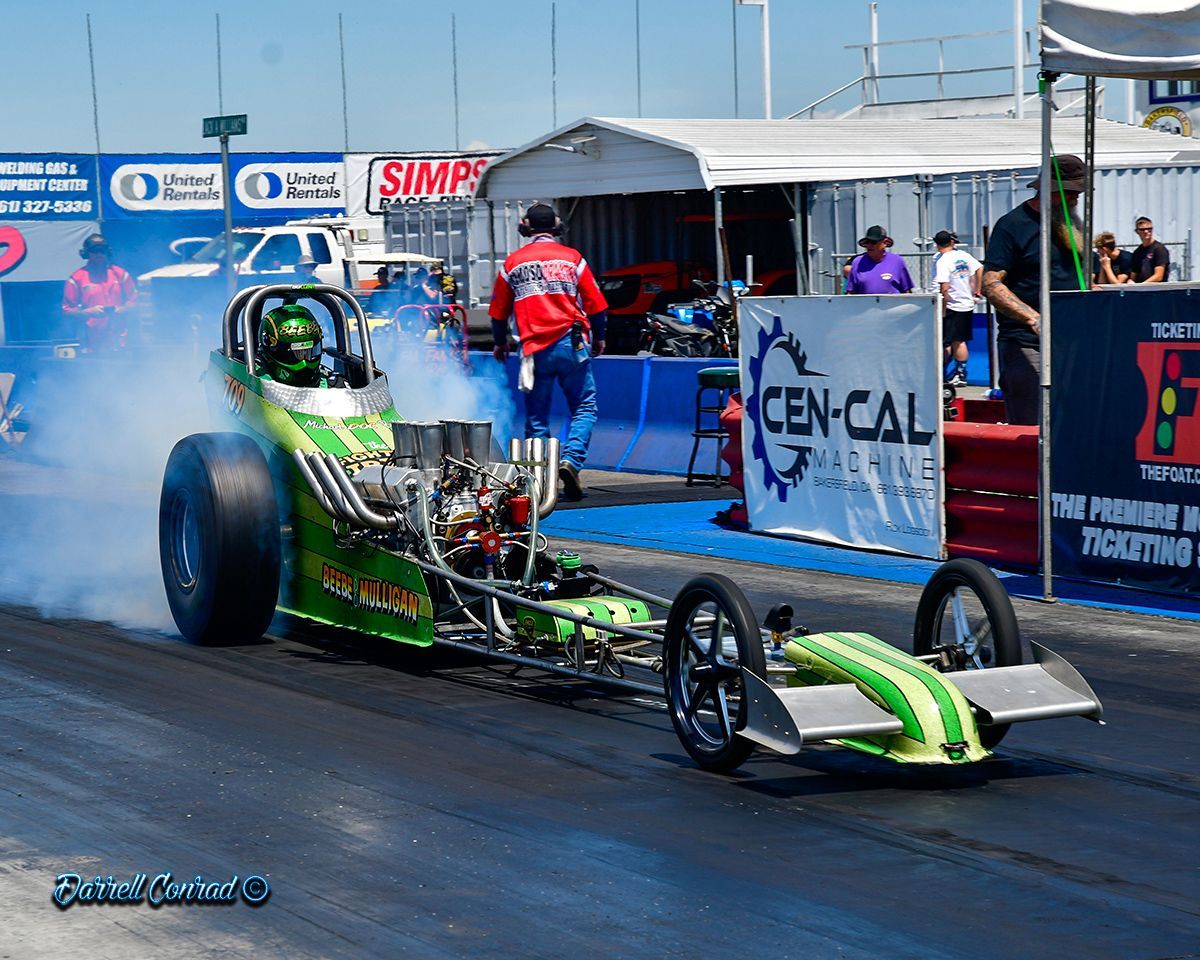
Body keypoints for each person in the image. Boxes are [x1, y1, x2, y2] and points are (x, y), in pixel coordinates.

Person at [489, 202, 608, 500]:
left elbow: (498, 313)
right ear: (556, 226)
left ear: (525, 227)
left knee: (537, 419)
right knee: (584, 407)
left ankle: (540, 482)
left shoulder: (512, 263)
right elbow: (596, 305)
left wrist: (500, 342)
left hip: (533, 350)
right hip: (571, 343)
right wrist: (600, 338)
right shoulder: (572, 258)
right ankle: (571, 461)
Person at [982, 153, 1087, 426]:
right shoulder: (1013, 225)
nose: (1076, 199)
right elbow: (991, 283)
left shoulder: (1073, 227)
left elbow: (1085, 279)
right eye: (1070, 193)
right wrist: (1034, 318)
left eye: (1078, 193)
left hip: (1072, 342)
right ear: (1049, 190)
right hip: (1027, 343)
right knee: (1035, 426)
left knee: (1072, 424)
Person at [62, 233, 136, 352]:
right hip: (90, 342)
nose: (99, 254)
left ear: (108, 252)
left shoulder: (120, 274)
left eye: (102, 251)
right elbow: (67, 311)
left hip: (120, 341)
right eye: (95, 251)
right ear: (86, 253)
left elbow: (134, 301)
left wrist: (121, 309)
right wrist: (87, 312)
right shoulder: (76, 278)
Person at [932, 230, 982, 387]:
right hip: (965, 303)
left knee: (956, 341)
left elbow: (944, 287)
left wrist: (943, 308)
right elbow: (980, 268)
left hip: (953, 305)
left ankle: (960, 374)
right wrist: (977, 290)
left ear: (937, 244)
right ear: (951, 242)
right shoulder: (963, 255)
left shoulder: (943, 260)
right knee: (953, 340)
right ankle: (952, 372)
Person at [257, 304, 333, 388]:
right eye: (293, 354)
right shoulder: (255, 382)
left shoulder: (330, 385)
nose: (304, 364)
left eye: (309, 352)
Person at [845, 225, 914, 294]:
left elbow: (906, 290)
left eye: (873, 242)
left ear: (885, 243)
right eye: (867, 242)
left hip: (893, 301)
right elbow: (851, 292)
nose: (869, 245)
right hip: (866, 301)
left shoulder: (897, 261)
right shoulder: (857, 262)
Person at [1129, 216, 1169, 283]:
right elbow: (1134, 276)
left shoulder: (1159, 249)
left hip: (1156, 288)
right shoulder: (1137, 252)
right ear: (1137, 231)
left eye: (1149, 229)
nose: (1146, 231)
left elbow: (1158, 276)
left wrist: (1142, 285)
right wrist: (1130, 283)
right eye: (1142, 229)